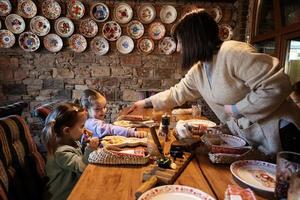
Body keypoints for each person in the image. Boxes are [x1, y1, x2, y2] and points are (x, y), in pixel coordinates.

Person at [130, 9, 300, 155]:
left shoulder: (233, 52)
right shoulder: (200, 68)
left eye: (180, 42)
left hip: (283, 134)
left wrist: (237, 109)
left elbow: (277, 85)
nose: (179, 49)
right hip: (256, 138)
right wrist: (143, 103)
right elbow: (177, 93)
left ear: (194, 39)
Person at [42, 102, 99, 200]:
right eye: (82, 126)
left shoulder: (71, 142)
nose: (85, 129)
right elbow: (83, 168)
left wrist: (85, 142)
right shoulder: (61, 153)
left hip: (75, 189)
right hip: (64, 196)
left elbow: (78, 157)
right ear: (67, 131)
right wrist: (90, 148)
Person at [80, 89, 147, 138]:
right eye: (97, 109)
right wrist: (131, 132)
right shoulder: (91, 123)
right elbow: (109, 129)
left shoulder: (91, 120)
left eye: (104, 107)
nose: (103, 111)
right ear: (86, 109)